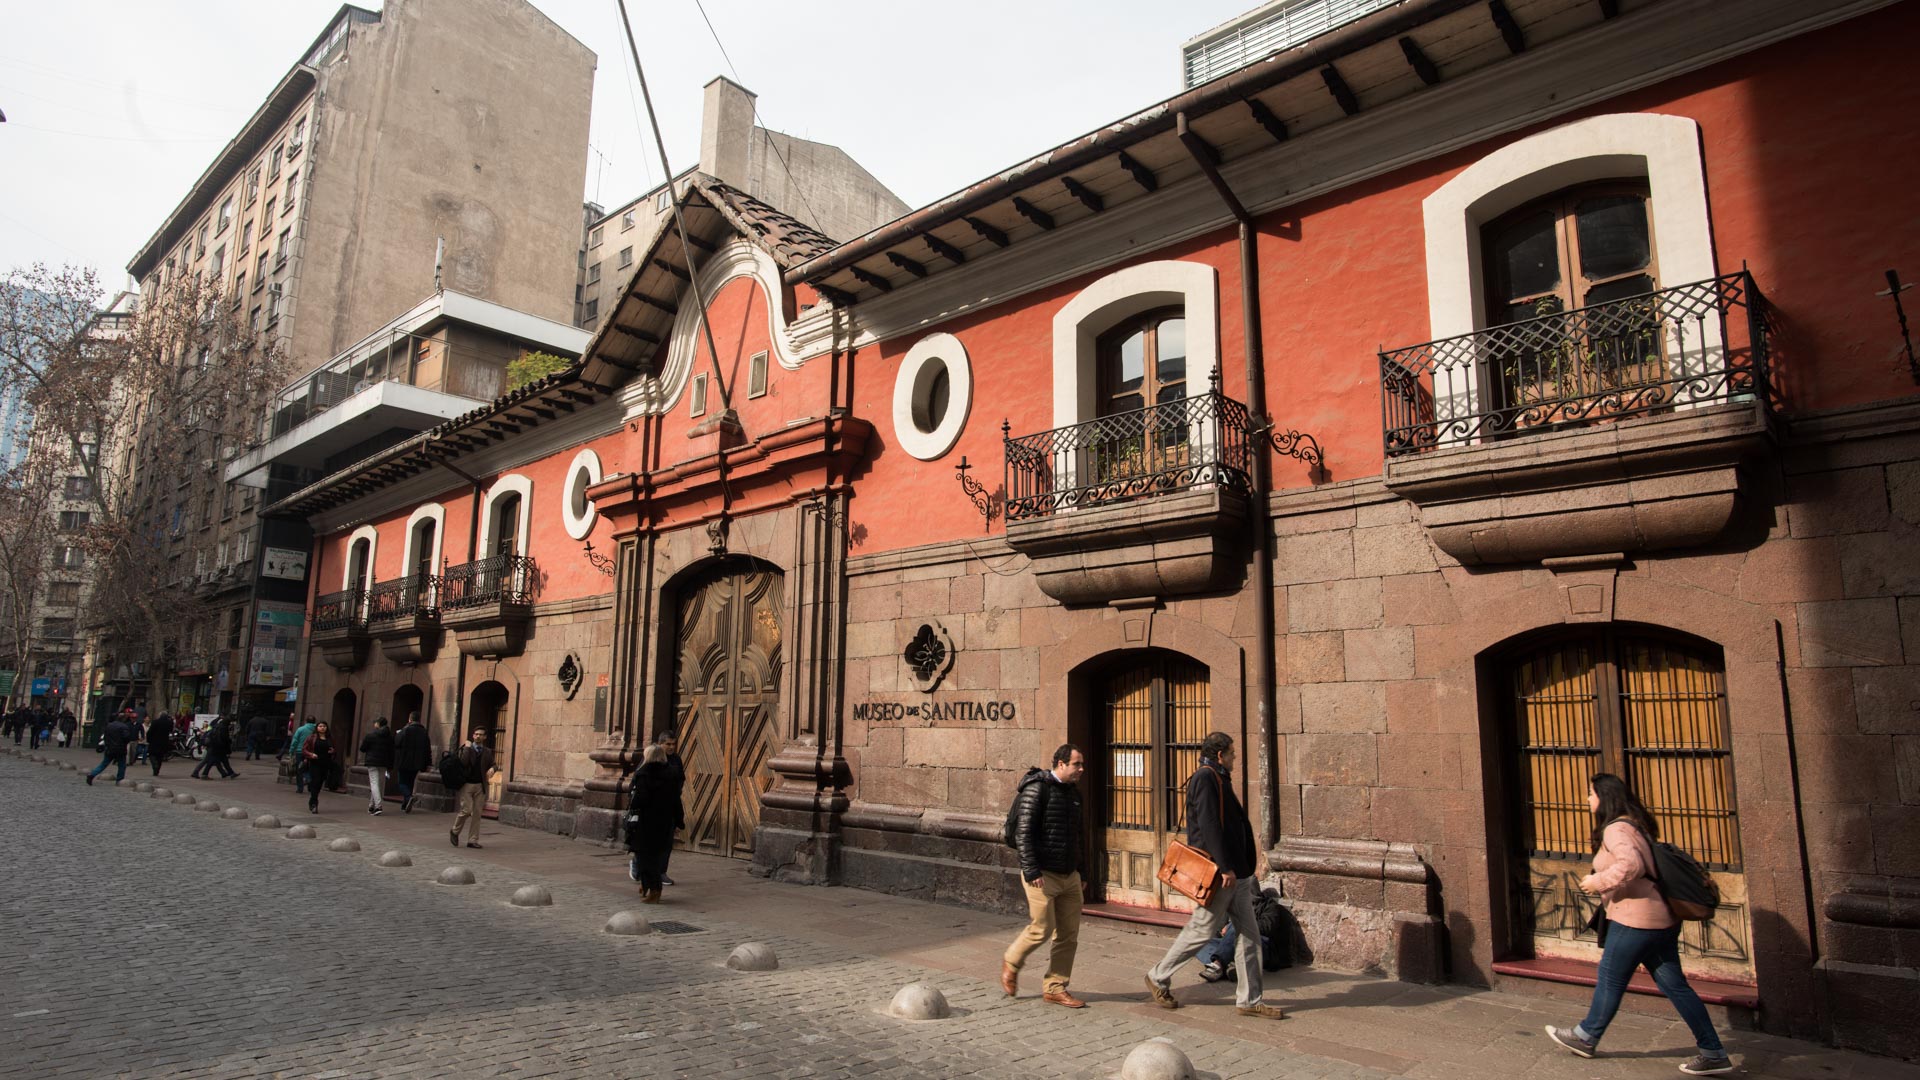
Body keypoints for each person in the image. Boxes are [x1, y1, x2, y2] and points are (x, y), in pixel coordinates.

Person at [1546, 774, 1733, 1075]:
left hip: (1636, 921)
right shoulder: (1634, 823)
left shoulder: (1616, 829)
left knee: (1610, 979)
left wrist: (1598, 881)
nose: (1587, 799)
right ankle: (1713, 1051)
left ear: (1604, 797)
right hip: (1660, 920)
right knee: (1676, 986)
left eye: (1591, 794)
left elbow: (1631, 865)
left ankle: (1585, 1036)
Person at [1143, 732, 1284, 1019]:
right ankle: (1158, 976)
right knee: (1201, 930)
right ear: (1220, 755)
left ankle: (1249, 999)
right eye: (1232, 753)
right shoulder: (1205, 777)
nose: (1234, 758)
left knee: (1250, 935)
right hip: (1222, 875)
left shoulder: (1219, 776)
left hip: (1239, 876)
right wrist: (1224, 867)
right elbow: (1209, 825)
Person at [1002, 743, 1088, 1008]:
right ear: (1060, 764)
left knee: (1068, 934)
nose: (1081, 769)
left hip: (1069, 875)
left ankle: (1055, 986)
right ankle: (1012, 962)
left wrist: (1082, 871)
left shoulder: (1074, 794)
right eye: (1076, 764)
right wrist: (1031, 869)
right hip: (1042, 874)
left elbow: (1078, 836)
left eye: (1081, 764)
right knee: (1042, 928)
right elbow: (1023, 833)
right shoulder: (1037, 789)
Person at [624, 744, 683, 903]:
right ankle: (647, 886)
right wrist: (679, 821)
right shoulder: (671, 775)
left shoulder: (643, 774)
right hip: (664, 822)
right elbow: (676, 801)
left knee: (643, 856)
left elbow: (639, 800)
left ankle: (654, 889)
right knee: (656, 857)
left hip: (645, 822)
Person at [448, 727, 495, 849]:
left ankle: (472, 840)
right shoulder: (466, 748)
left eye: (481, 735)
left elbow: (493, 764)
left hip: (480, 786)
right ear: (473, 736)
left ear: (484, 737)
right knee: (466, 810)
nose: (478, 736)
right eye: (476, 734)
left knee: (477, 813)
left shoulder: (487, 752)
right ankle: (454, 831)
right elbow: (463, 763)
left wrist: (493, 769)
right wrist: (468, 748)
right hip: (467, 784)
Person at [393, 711, 431, 812]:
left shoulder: (405, 730)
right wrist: (428, 763)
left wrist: (400, 732)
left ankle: (408, 797)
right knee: (410, 782)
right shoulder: (423, 732)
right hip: (417, 762)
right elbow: (428, 749)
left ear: (410, 719)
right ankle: (405, 804)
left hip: (404, 760)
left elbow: (396, 742)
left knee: (401, 782)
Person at [86, 713, 135, 785]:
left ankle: (92, 774)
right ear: (124, 719)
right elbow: (127, 738)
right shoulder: (124, 727)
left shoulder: (109, 725)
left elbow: (105, 736)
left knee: (103, 764)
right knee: (122, 765)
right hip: (120, 749)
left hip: (110, 748)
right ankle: (119, 780)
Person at [359, 716, 394, 816]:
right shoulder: (390, 737)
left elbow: (362, 748)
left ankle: (378, 806)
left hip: (372, 762)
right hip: (384, 763)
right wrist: (390, 765)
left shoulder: (371, 735)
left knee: (374, 784)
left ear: (378, 724)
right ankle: (371, 805)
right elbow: (392, 752)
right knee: (379, 785)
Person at [300, 721, 335, 815]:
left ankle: (312, 799)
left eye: (324, 726)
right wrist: (311, 754)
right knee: (315, 781)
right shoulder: (312, 737)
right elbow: (304, 750)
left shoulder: (329, 738)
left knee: (319, 783)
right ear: (317, 728)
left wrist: (332, 751)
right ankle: (314, 804)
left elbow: (333, 749)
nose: (322, 728)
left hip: (325, 763)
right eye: (320, 726)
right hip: (315, 763)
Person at [287, 717, 318, 793]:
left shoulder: (301, 729)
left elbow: (295, 740)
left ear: (306, 721)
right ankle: (310, 786)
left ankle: (300, 788)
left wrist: (291, 751)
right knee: (310, 769)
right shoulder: (316, 730)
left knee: (299, 770)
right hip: (312, 753)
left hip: (300, 751)